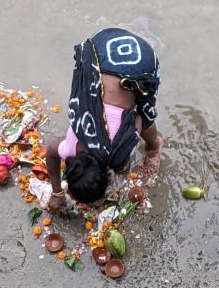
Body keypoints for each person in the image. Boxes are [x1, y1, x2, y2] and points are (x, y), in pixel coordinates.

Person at [46, 28, 162, 211]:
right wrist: (57, 191)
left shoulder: (120, 153)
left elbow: (137, 117)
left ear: (108, 178)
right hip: (99, 46)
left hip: (140, 63)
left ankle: (155, 147)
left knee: (145, 114)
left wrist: (130, 130)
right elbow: (51, 151)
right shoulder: (70, 148)